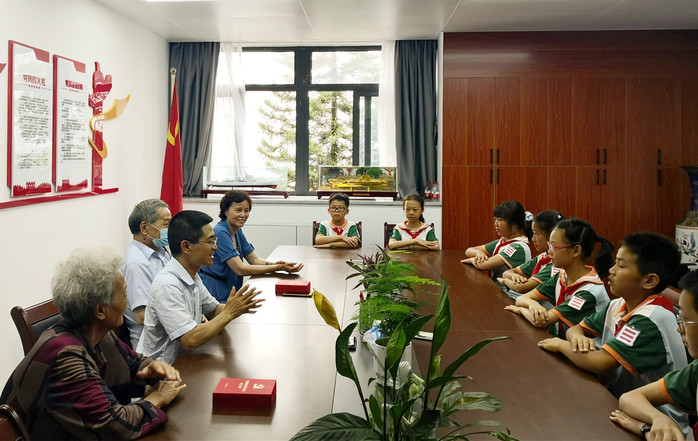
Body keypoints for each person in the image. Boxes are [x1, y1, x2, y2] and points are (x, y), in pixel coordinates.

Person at [0, 247, 186, 440]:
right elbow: (114, 425)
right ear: (100, 310)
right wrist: (156, 398)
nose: (128, 299)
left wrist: (151, 369)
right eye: (124, 293)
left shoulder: (95, 333)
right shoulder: (65, 357)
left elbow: (134, 363)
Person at [537, 233, 688, 436]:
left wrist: (560, 344)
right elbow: (577, 328)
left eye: (621, 265)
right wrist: (576, 337)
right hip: (619, 407)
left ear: (649, 280)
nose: (611, 270)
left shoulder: (652, 319)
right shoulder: (618, 305)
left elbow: (601, 363)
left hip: (658, 429)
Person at [137, 210, 264, 364]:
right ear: (186, 246)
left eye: (214, 240)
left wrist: (238, 306)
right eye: (210, 242)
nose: (215, 247)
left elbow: (214, 310)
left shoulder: (192, 274)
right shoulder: (167, 285)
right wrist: (229, 312)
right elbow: (189, 340)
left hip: (185, 362)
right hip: (159, 370)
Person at [610, 269, 698, 441]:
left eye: (685, 319)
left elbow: (600, 363)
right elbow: (630, 398)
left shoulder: (651, 318)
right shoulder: (695, 370)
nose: (679, 328)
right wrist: (658, 419)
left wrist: (644, 429)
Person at [505, 218, 613, 337]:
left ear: (576, 251)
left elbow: (542, 321)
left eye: (554, 247)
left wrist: (521, 310)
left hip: (590, 347)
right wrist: (532, 304)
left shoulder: (588, 292)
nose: (549, 252)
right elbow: (521, 299)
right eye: (549, 245)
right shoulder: (562, 277)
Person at [199, 190, 303, 302]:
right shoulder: (220, 232)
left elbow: (254, 259)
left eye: (246, 210)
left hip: (228, 289)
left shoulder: (237, 231)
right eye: (238, 210)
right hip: (215, 292)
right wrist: (277, 268)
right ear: (226, 211)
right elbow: (240, 269)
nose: (243, 215)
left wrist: (277, 265)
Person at [123, 198, 172, 348]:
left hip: (170, 336)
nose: (170, 229)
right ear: (145, 228)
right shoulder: (136, 263)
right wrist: (182, 318)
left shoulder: (161, 252)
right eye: (166, 224)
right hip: (153, 347)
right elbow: (141, 316)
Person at [497, 210, 564, 300]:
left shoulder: (555, 264)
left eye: (536, 234)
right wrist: (513, 276)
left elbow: (521, 287)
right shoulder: (542, 257)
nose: (533, 239)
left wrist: (504, 281)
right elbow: (507, 273)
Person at [461, 200, 532, 278]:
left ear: (515, 223)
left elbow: (484, 265)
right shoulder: (503, 241)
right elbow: (469, 250)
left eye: (500, 220)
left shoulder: (518, 247)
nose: (496, 224)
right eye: (495, 219)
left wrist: (471, 260)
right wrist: (478, 252)